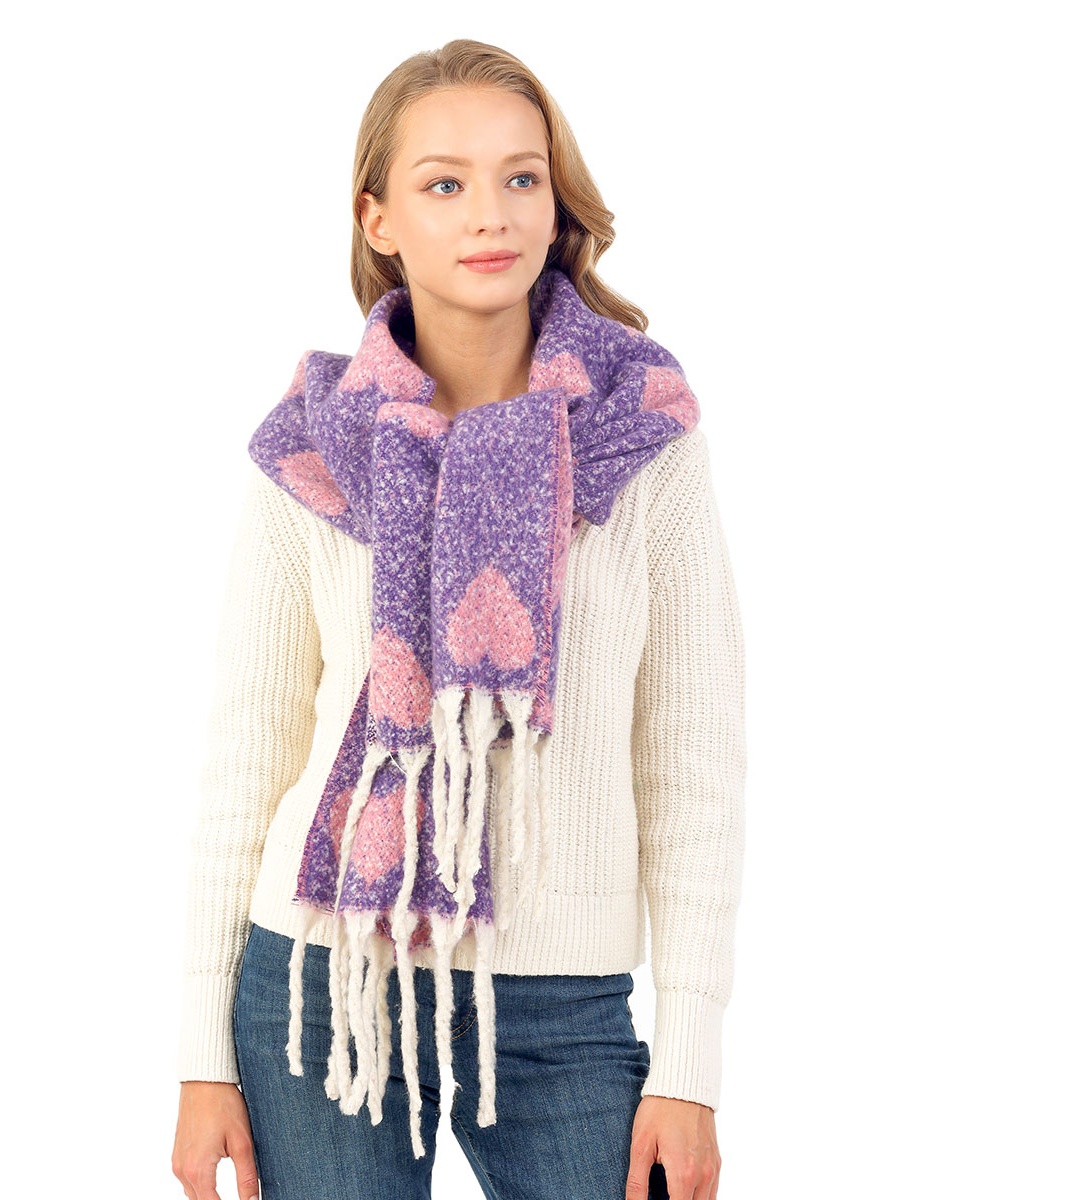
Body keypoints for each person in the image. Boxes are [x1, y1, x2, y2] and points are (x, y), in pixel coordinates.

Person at [171, 38, 745, 1200]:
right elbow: (247, 754)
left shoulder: (644, 437)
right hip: (322, 989)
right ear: (377, 218)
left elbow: (693, 762)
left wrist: (688, 1067)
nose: (492, 212)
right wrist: (199, 1056)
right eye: (445, 182)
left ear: (556, 201)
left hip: (563, 1011)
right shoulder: (309, 448)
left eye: (521, 176)